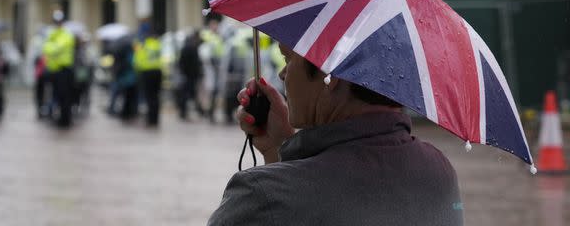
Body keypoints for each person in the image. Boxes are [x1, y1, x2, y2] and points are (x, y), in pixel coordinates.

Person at [209, 44, 463, 225]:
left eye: (287, 59)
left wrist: (279, 166)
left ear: (331, 76)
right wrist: (279, 147)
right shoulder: (439, 172)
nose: (282, 74)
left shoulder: (261, 194)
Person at [41, 10, 75, 127]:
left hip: (64, 70)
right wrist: (52, 47)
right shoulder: (52, 34)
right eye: (56, 21)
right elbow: (46, 48)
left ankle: (66, 119)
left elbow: (54, 48)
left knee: (65, 97)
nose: (57, 23)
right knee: (56, 96)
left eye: (59, 21)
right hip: (54, 70)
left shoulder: (66, 34)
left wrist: (52, 47)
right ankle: (60, 117)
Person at [133, 20, 163, 127]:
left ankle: (150, 120)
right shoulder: (157, 43)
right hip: (158, 71)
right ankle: (155, 119)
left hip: (146, 72)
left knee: (149, 97)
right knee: (156, 96)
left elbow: (137, 60)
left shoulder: (142, 44)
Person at [200, 13, 225, 123]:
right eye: (213, 25)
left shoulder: (219, 37)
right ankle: (206, 111)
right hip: (207, 68)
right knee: (207, 91)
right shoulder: (206, 35)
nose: (215, 27)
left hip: (217, 68)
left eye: (216, 25)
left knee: (214, 91)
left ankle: (210, 112)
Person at [177, 29, 204, 121]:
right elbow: (195, 63)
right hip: (190, 76)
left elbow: (181, 62)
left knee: (188, 94)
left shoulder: (187, 47)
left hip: (188, 75)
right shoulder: (192, 47)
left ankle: (184, 112)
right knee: (188, 94)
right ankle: (187, 112)